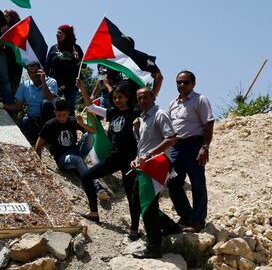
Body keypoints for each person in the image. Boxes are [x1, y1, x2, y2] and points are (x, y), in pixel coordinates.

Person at [77, 79, 143, 240]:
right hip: (114, 157)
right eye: (114, 98)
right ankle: (94, 212)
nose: (117, 100)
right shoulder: (112, 112)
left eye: (120, 97)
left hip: (130, 160)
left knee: (131, 195)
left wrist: (138, 124)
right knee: (86, 177)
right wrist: (83, 88)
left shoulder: (135, 112)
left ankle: (134, 229)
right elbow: (91, 107)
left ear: (127, 97)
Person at [131, 87, 180, 259]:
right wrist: (137, 158)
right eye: (139, 98)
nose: (142, 101)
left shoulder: (160, 114)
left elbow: (171, 139)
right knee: (140, 202)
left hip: (155, 165)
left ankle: (153, 248)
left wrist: (148, 155)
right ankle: (170, 227)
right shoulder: (143, 118)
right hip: (144, 166)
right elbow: (144, 144)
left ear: (153, 97)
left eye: (145, 97)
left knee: (148, 207)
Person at [167, 70, 214, 233]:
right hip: (176, 147)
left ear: (193, 84)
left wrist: (204, 146)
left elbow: (209, 124)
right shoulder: (173, 104)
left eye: (185, 82)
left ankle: (198, 221)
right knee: (172, 183)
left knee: (197, 183)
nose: (181, 85)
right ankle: (186, 215)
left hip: (194, 145)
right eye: (179, 82)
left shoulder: (200, 100)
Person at [34, 99, 105, 197]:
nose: (62, 118)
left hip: (76, 152)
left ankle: (80, 169)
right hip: (63, 159)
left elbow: (93, 131)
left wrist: (82, 124)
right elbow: (38, 144)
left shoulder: (72, 120)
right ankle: (95, 185)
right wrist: (39, 165)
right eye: (59, 115)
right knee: (78, 160)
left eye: (64, 115)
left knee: (90, 136)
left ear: (68, 112)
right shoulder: (50, 125)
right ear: (55, 112)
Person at [3, 61, 57, 143]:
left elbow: (49, 98)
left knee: (45, 103)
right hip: (34, 120)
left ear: (40, 71)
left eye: (36, 72)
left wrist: (43, 81)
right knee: (24, 120)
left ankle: (45, 136)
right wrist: (1, 106)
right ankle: (41, 138)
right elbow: (18, 106)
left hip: (48, 118)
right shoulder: (24, 85)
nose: (33, 75)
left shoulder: (51, 82)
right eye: (30, 73)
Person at [46, 24, 84, 113]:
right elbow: (46, 66)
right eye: (56, 32)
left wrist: (77, 58)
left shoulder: (76, 48)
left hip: (71, 85)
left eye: (60, 32)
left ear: (67, 34)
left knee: (69, 109)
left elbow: (83, 65)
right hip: (55, 85)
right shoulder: (53, 49)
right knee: (53, 108)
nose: (57, 34)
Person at [2, 9, 23, 96]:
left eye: (6, 16)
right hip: (3, 64)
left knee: (12, 90)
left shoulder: (18, 31)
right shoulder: (1, 29)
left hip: (14, 65)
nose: (3, 18)